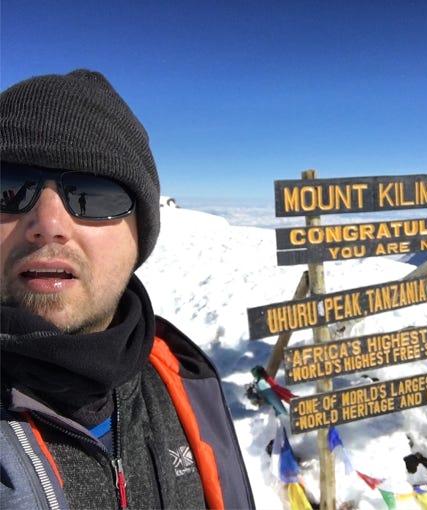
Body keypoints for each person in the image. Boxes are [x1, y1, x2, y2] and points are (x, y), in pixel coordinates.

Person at [0, 70, 255, 510]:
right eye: (6, 188)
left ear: (141, 233)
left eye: (94, 194)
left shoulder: (183, 380)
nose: (49, 226)